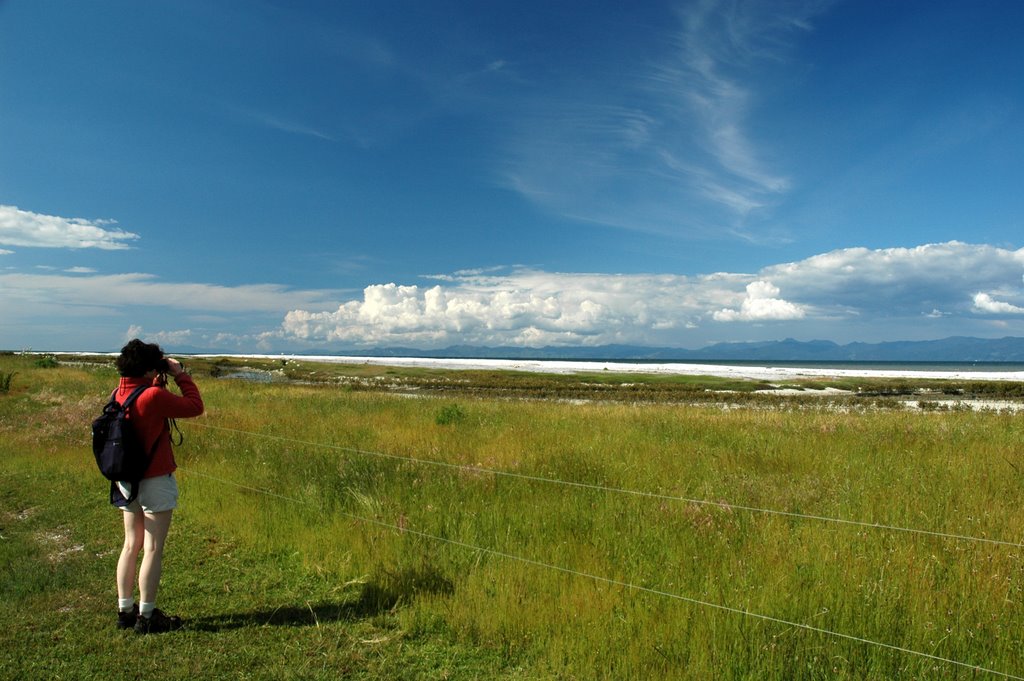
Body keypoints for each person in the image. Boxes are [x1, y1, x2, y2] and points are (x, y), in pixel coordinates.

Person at [111, 339, 203, 634]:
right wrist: (180, 375)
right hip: (155, 479)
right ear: (150, 367)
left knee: (130, 545)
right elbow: (194, 406)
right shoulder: (152, 396)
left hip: (127, 481)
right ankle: (147, 616)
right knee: (152, 548)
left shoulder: (118, 394)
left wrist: (157, 383)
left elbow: (148, 411)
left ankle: (125, 610)